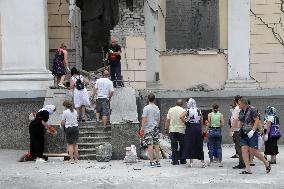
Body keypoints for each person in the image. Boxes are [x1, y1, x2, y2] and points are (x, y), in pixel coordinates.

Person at [238, 97, 271, 174]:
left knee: (254, 151)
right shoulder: (241, 111)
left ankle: (266, 162)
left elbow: (257, 120)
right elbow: (241, 122)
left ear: (244, 103)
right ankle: (248, 169)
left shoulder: (253, 109)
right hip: (244, 133)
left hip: (252, 133)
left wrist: (253, 131)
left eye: (239, 104)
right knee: (244, 149)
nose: (238, 105)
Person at [180, 98, 206, 168]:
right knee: (199, 144)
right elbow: (201, 120)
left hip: (190, 127)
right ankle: (202, 162)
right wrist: (201, 128)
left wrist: (186, 122)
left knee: (191, 144)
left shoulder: (187, 110)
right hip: (197, 127)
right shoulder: (198, 110)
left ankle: (191, 163)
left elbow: (181, 116)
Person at [140, 93, 161, 168]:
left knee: (150, 145)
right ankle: (158, 161)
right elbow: (158, 119)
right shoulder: (157, 108)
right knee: (156, 144)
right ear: (154, 99)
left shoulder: (146, 108)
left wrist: (142, 128)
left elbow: (144, 119)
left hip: (148, 128)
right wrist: (156, 126)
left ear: (148, 99)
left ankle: (151, 162)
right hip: (155, 128)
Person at [165, 99, 187, 165]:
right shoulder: (184, 111)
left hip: (173, 130)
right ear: (182, 104)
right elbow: (185, 120)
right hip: (181, 130)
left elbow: (167, 120)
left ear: (176, 103)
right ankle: (183, 160)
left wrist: (166, 129)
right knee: (182, 146)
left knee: (174, 146)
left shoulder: (171, 109)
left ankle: (175, 161)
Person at [229, 95, 246, 169]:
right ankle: (244, 162)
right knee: (242, 146)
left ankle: (242, 163)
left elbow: (235, 120)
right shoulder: (241, 108)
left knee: (239, 147)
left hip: (237, 130)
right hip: (241, 129)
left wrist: (231, 130)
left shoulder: (236, 109)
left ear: (235, 100)